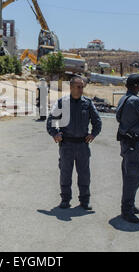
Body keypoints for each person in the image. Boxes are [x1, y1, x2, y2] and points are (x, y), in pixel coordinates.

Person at [46, 76, 102, 210]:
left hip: (82, 145)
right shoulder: (62, 103)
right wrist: (55, 133)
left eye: (82, 87)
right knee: (65, 173)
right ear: (71, 87)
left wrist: (93, 134)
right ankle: (65, 199)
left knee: (84, 174)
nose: (81, 89)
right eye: (78, 87)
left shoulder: (87, 103)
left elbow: (97, 121)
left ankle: (85, 200)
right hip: (67, 145)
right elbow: (51, 120)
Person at [115, 74, 139, 223]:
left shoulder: (123, 99)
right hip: (133, 143)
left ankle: (129, 205)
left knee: (128, 176)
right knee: (133, 177)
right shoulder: (136, 101)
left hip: (126, 142)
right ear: (137, 86)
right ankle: (127, 209)